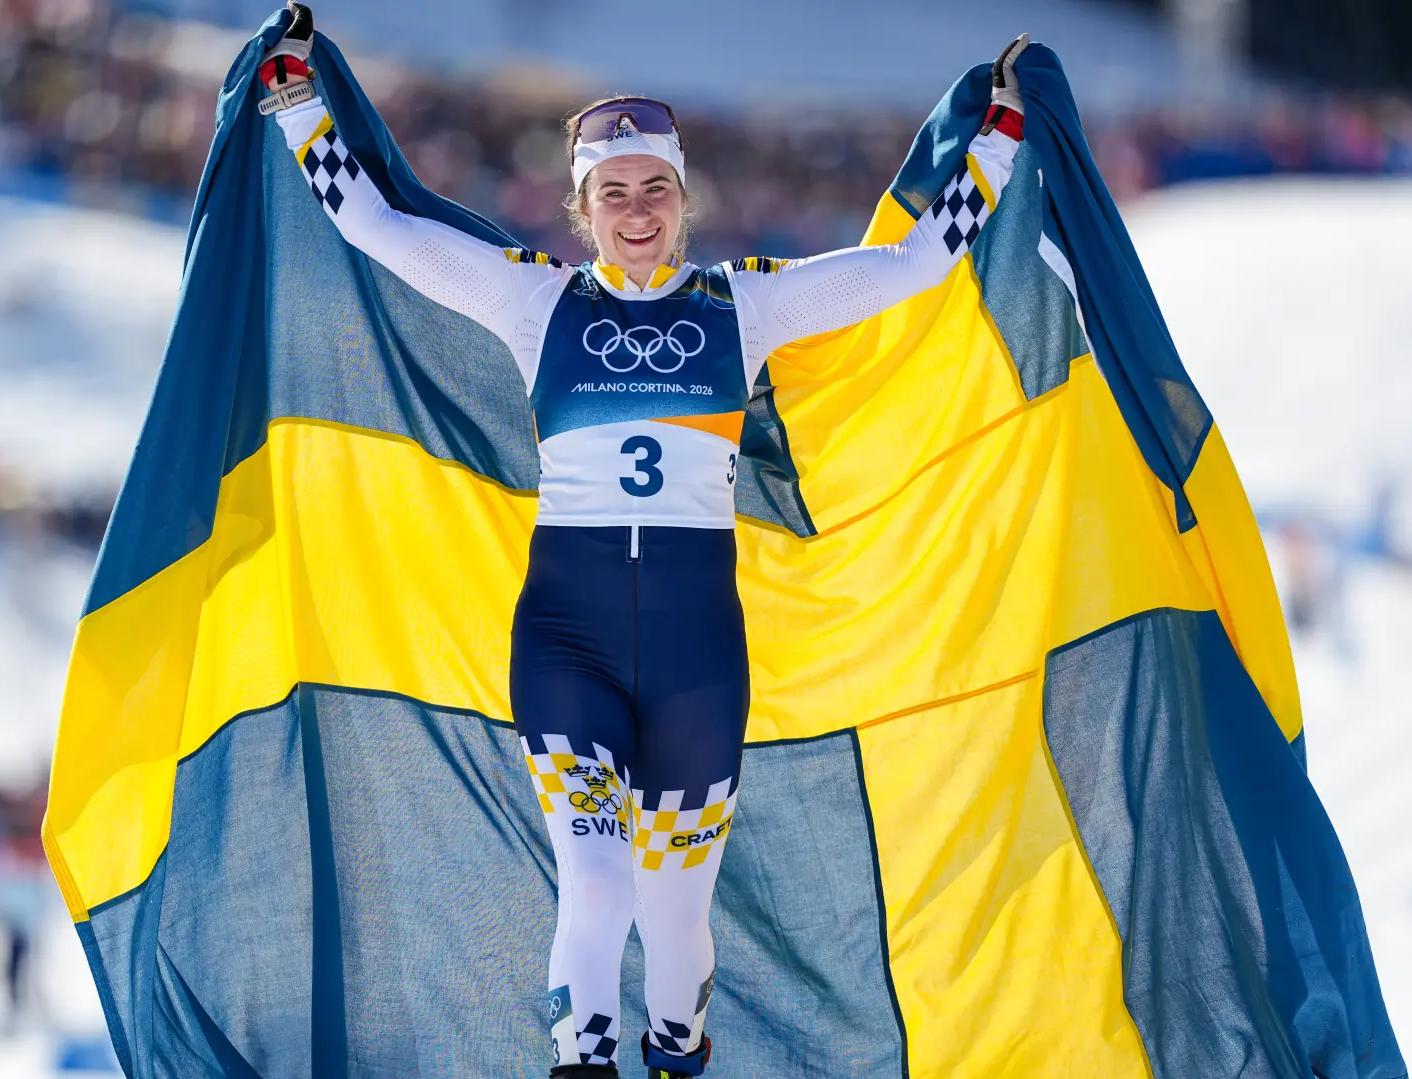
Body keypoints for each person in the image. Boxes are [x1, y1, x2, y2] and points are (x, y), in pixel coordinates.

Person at [255, 8, 1029, 1076]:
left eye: (654, 188)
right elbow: (379, 227)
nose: (636, 210)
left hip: (696, 661)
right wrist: (297, 103)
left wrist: (1002, 135)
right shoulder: (535, 300)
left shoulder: (745, 305)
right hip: (566, 646)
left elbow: (911, 263)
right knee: (597, 880)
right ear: (582, 208)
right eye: (612, 192)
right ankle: (581, 1060)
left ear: (682, 197)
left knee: (674, 912)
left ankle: (677, 1052)